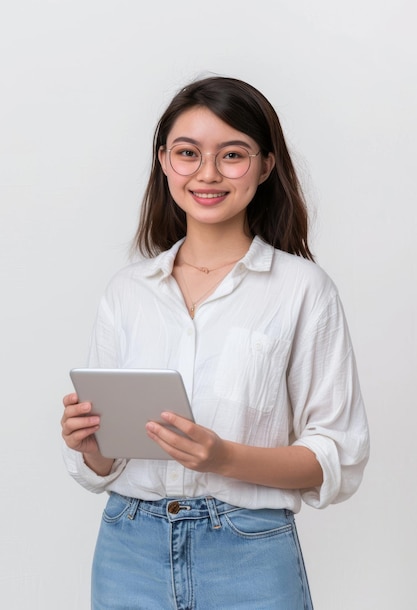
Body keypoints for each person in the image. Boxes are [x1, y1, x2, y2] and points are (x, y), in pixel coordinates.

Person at [61, 76, 369, 610]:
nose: (207, 173)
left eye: (232, 154)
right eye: (187, 153)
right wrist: (92, 449)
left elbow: (336, 457)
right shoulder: (128, 291)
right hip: (128, 547)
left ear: (266, 166)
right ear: (163, 161)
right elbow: (104, 463)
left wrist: (224, 457)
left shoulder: (302, 290)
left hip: (249, 550)